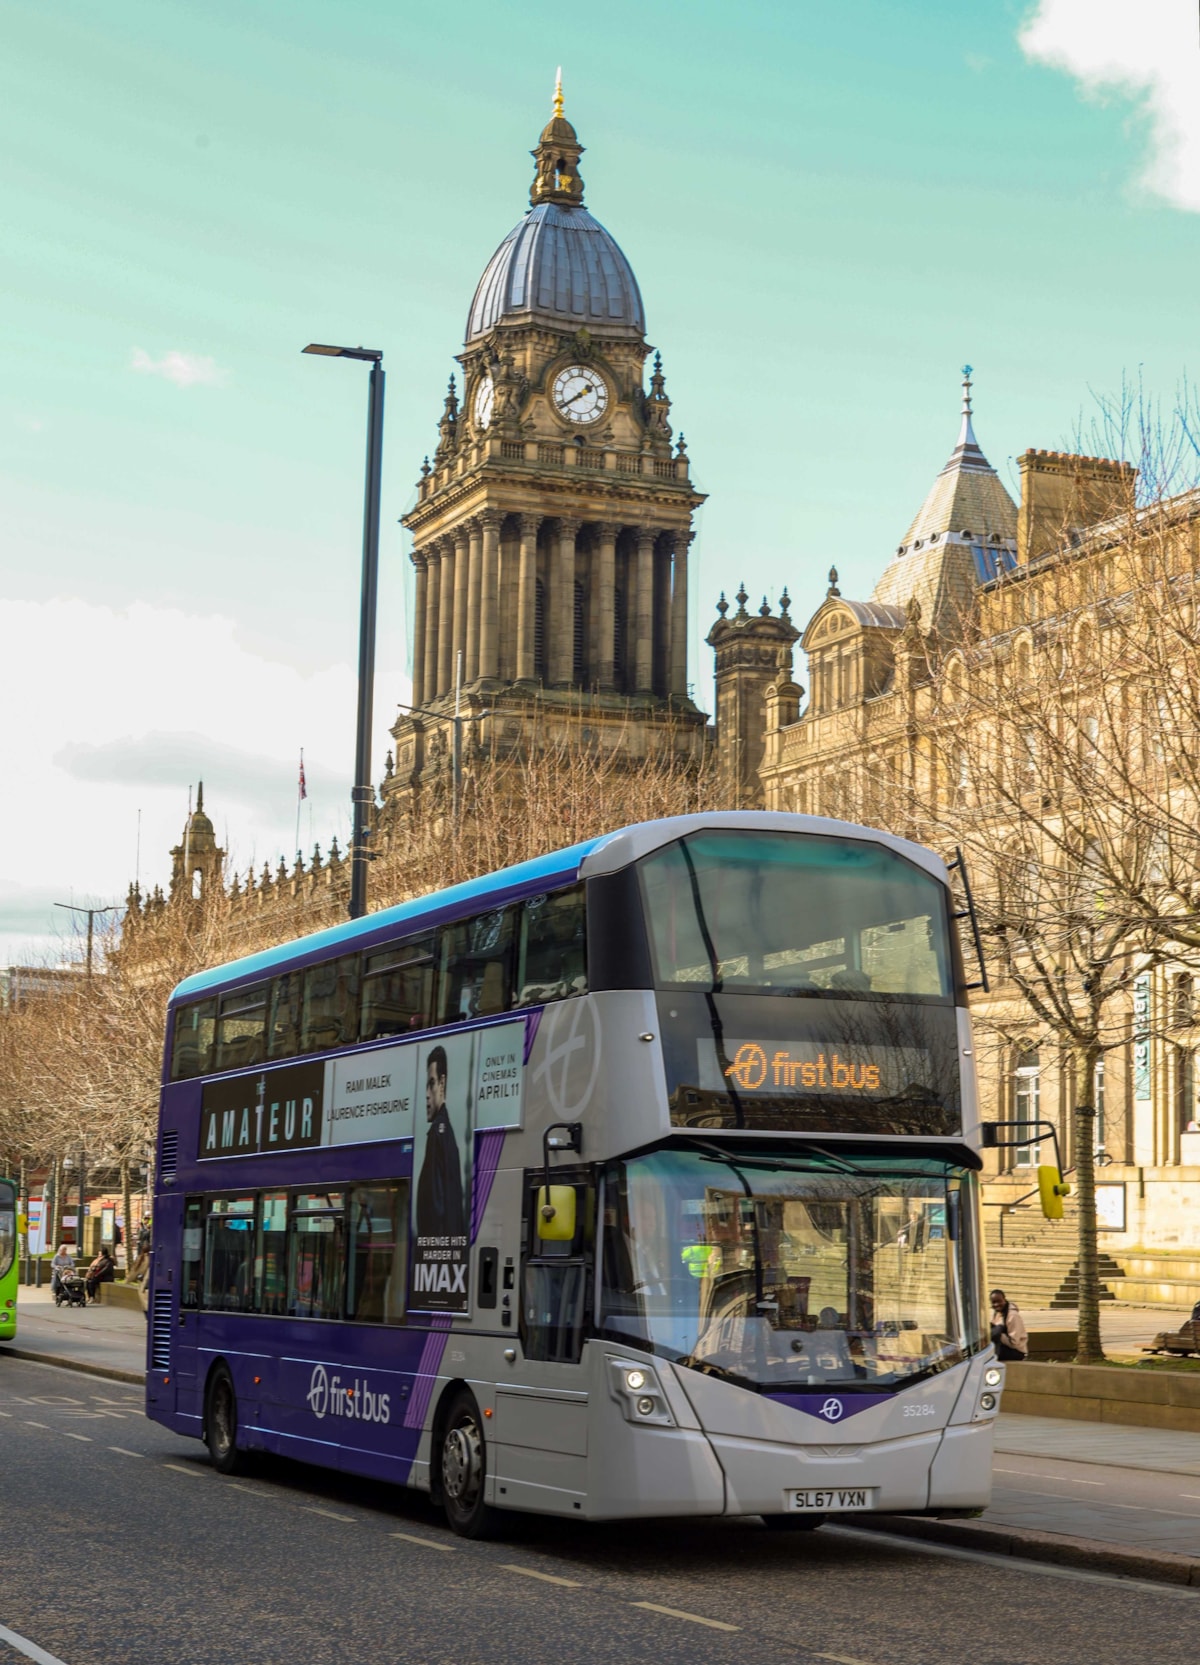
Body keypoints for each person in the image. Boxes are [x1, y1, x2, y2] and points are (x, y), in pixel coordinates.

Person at [416, 1045, 465, 1241]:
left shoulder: (438, 1133)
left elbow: (434, 1208)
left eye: (432, 1083)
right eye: (426, 1086)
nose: (427, 1094)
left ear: (442, 1084)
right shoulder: (446, 1131)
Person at [990, 1288, 1028, 1361]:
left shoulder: (1013, 1316)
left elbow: (1014, 1343)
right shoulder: (998, 1313)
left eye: (999, 1301)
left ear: (1004, 1300)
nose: (996, 1304)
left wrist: (999, 1334)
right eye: (994, 1302)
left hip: (1016, 1351)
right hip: (1004, 1346)